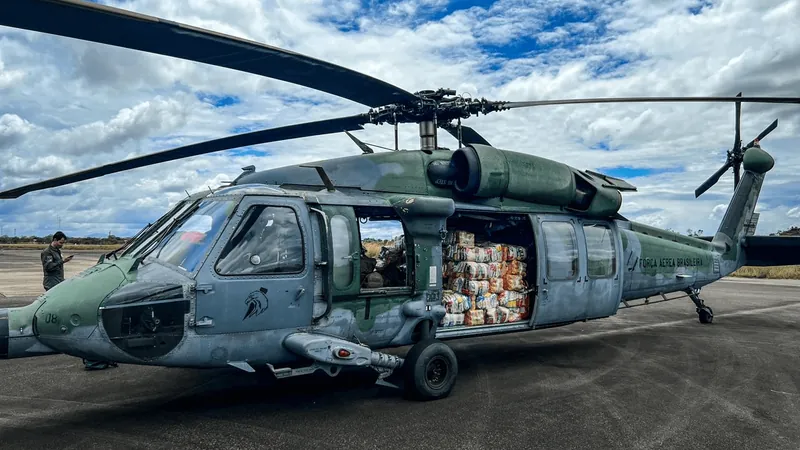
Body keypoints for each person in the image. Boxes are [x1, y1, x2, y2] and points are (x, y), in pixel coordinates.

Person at [41, 231, 118, 371]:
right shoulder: (47, 252)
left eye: (63, 243)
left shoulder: (56, 251)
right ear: (55, 240)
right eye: (61, 242)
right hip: (51, 282)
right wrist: (62, 261)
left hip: (58, 281)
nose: (62, 245)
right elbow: (48, 267)